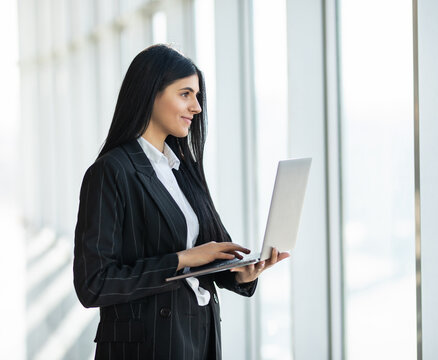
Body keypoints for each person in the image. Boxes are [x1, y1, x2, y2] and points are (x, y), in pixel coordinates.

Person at [73, 44, 289, 360]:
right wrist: (180, 258)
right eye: (185, 94)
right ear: (151, 94)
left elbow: (205, 258)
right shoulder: (111, 172)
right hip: (147, 347)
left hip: (198, 336)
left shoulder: (182, 169)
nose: (197, 107)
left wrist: (240, 274)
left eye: (197, 96)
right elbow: (94, 284)